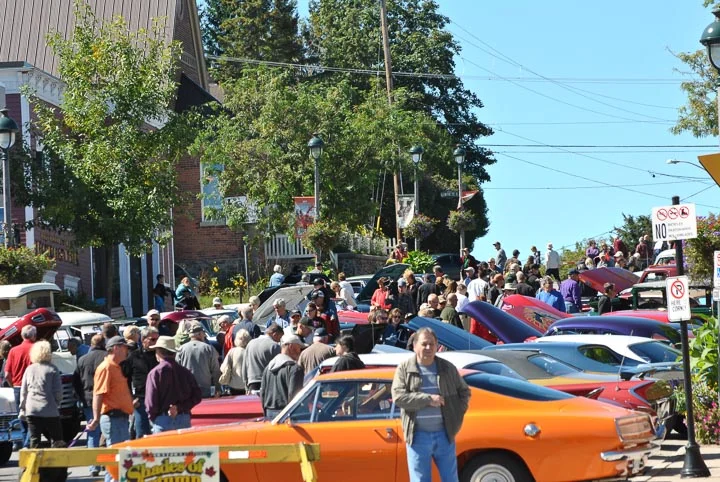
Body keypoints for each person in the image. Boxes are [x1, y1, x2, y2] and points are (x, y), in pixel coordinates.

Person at [391, 327, 471, 482]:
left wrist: (456, 415)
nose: (428, 348)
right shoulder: (404, 369)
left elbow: (464, 392)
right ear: (415, 346)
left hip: (444, 435)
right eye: (424, 344)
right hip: (417, 436)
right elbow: (398, 397)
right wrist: (427, 399)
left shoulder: (447, 368)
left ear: (436, 346)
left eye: (432, 344)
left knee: (451, 479)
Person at [87, 336, 134, 482]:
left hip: (120, 418)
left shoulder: (116, 367)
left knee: (120, 461)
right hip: (113, 418)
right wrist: (96, 418)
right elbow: (98, 394)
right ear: (116, 348)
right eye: (125, 348)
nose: (127, 351)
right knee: (115, 461)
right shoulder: (106, 367)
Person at [145, 336, 202, 433]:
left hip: (162, 419)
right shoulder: (185, 372)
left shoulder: (155, 373)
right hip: (183, 418)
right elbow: (197, 396)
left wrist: (154, 418)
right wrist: (180, 408)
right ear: (174, 353)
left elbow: (151, 403)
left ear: (158, 352)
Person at [20, 340, 63, 449]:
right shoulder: (53, 369)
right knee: (57, 439)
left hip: (32, 408)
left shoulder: (29, 369)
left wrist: (23, 407)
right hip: (49, 408)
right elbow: (58, 392)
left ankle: (34, 459)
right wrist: (57, 403)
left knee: (34, 439)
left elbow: (24, 391)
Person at [121, 326, 159, 439]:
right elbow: (124, 378)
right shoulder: (134, 356)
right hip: (141, 399)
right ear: (143, 340)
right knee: (142, 432)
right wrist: (131, 398)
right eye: (153, 339)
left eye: (157, 339)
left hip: (159, 398)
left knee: (159, 433)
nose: (156, 342)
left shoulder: (160, 355)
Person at [5, 325, 36, 448]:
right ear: (33, 335)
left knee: (23, 421)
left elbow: (7, 374)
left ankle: (26, 448)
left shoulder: (13, 351)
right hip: (33, 388)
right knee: (34, 420)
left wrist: (13, 386)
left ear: (22, 336)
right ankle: (28, 446)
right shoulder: (36, 349)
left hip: (18, 388)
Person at [260, 334, 305, 418]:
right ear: (291, 346)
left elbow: (262, 393)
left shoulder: (268, 368)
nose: (300, 351)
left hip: (269, 412)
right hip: (286, 413)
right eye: (299, 348)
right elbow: (294, 396)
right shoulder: (295, 369)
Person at [176, 322, 221, 398]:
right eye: (203, 333)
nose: (204, 335)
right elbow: (215, 370)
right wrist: (217, 388)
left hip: (187, 388)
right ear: (199, 334)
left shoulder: (181, 349)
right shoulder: (209, 348)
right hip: (205, 388)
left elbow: (177, 370)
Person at [242, 323, 283, 393]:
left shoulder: (251, 343)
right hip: (269, 383)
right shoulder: (274, 346)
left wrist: (246, 385)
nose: (279, 341)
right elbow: (279, 368)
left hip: (252, 382)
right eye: (280, 338)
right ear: (275, 334)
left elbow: (245, 366)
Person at [220, 329, 252, 394]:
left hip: (234, 384)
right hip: (247, 384)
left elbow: (224, 367)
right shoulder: (250, 351)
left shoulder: (232, 351)